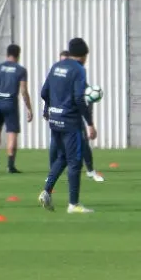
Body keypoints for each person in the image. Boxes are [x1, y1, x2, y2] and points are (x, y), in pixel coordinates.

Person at [38, 38, 97, 213]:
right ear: (84, 55)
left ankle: (46, 190)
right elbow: (79, 98)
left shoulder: (57, 66)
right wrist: (90, 123)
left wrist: (49, 109)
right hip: (70, 121)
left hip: (54, 119)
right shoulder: (79, 70)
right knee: (75, 161)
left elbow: (43, 92)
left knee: (62, 157)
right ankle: (74, 204)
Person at [56, 50, 105, 183]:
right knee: (57, 144)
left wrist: (89, 122)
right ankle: (53, 174)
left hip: (74, 117)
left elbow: (85, 97)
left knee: (83, 143)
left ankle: (90, 171)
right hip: (60, 115)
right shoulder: (57, 76)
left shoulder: (78, 75)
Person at [0, 44, 33, 174]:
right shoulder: (20, 70)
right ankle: (10, 165)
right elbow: (23, 90)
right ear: (18, 55)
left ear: (7, 54)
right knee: (11, 133)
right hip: (10, 104)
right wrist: (29, 108)